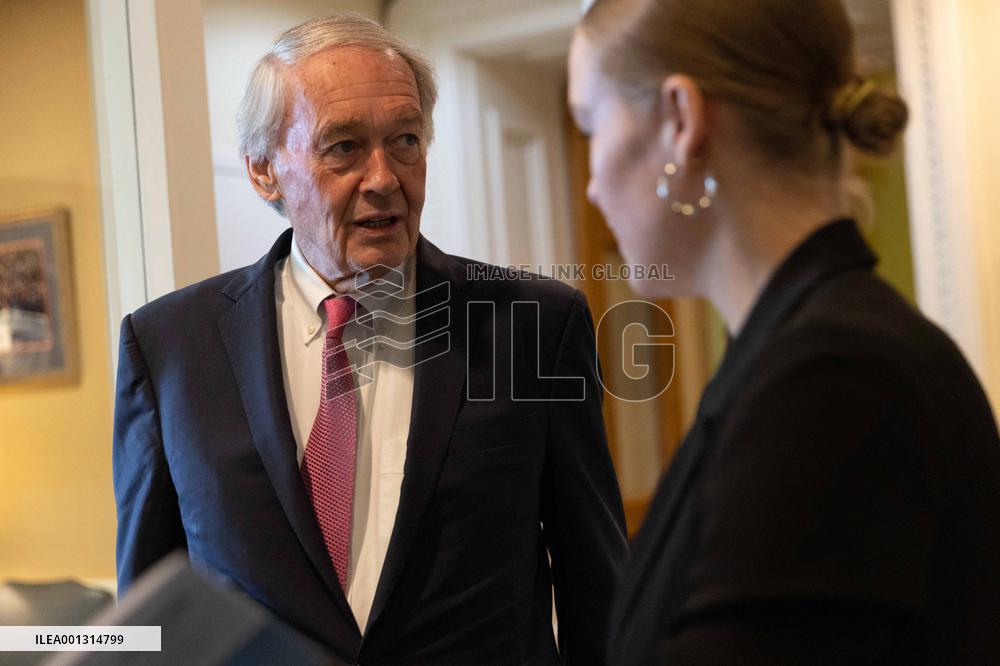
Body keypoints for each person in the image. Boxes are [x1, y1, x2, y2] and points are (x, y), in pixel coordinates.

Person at [114, 12, 627, 664]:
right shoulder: (169, 347)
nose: (384, 177)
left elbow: (598, 589)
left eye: (406, 140)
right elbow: (151, 611)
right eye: (344, 147)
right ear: (264, 171)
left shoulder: (534, 324)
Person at [568, 0, 1000, 663]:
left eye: (591, 123)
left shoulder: (832, 380)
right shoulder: (805, 352)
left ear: (681, 120)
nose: (592, 185)